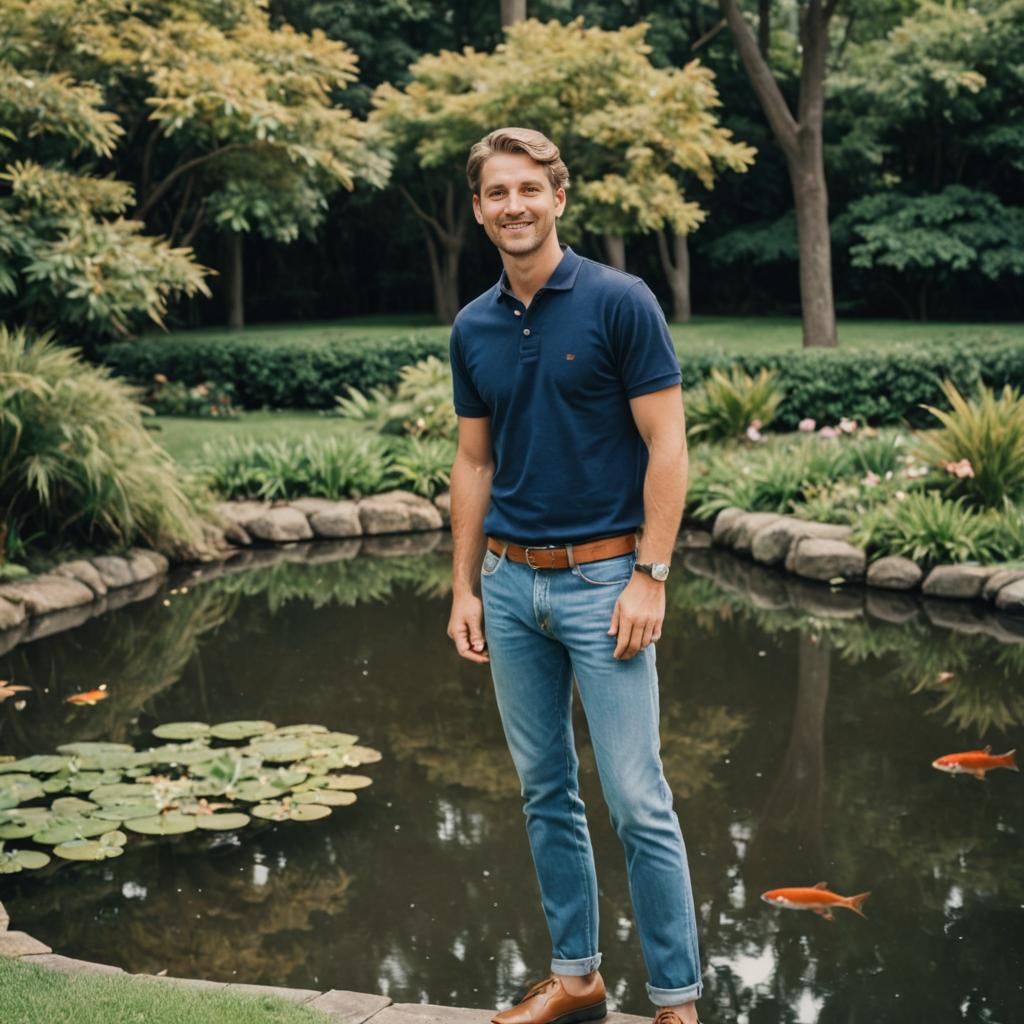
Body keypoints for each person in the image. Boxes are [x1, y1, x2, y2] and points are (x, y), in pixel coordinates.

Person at [446, 127, 702, 1024]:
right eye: (496, 193)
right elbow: (474, 463)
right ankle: (578, 976)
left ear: (559, 195)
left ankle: (676, 1002)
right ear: (479, 209)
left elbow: (667, 445)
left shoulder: (618, 302)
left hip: (606, 585)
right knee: (544, 788)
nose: (513, 205)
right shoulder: (472, 324)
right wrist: (465, 587)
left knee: (637, 798)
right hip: (512, 589)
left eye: (529, 188)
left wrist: (651, 574)